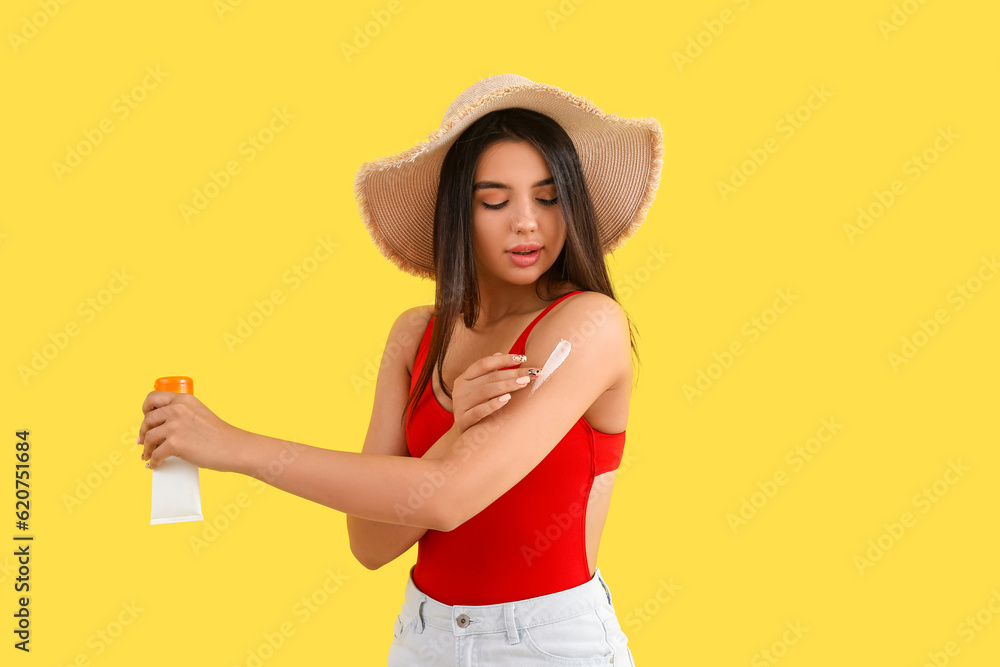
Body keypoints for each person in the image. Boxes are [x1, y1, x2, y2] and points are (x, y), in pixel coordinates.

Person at [138, 73, 663, 665]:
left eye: (548, 197)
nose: (527, 222)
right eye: (495, 200)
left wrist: (233, 446)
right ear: (457, 213)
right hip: (423, 638)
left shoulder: (587, 325)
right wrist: (456, 431)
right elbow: (370, 541)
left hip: (544, 643)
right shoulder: (416, 336)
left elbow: (448, 499)